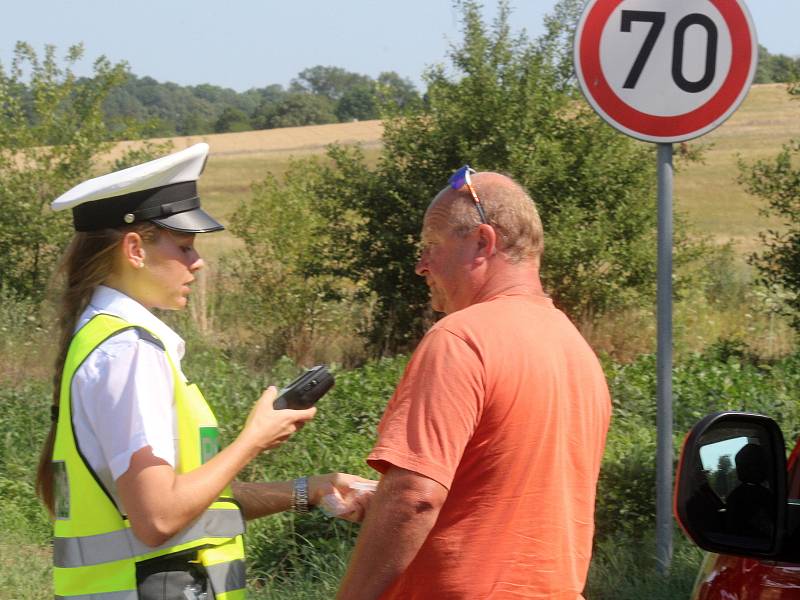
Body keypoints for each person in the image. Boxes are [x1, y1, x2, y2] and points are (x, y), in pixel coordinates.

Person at [37, 143, 368, 600]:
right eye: (186, 246)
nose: (199, 262)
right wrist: (252, 439)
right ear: (134, 248)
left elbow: (190, 501)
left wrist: (311, 490)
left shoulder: (103, 340)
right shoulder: (130, 353)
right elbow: (157, 518)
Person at [337, 167, 612, 599]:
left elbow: (415, 498)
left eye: (431, 246)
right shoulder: (576, 349)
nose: (421, 265)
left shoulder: (460, 338)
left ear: (483, 242)